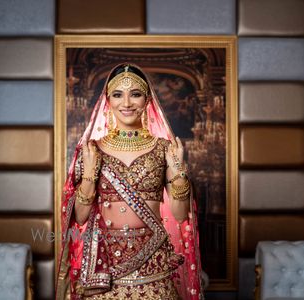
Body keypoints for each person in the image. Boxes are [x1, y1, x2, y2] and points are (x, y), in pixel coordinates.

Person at [56, 63, 203, 299]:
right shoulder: (92, 150)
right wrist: (90, 175)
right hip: (105, 266)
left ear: (147, 100)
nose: (126, 103)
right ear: (108, 100)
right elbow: (80, 217)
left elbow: (179, 215)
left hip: (153, 262)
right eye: (118, 95)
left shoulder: (163, 149)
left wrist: (179, 174)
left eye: (135, 94)